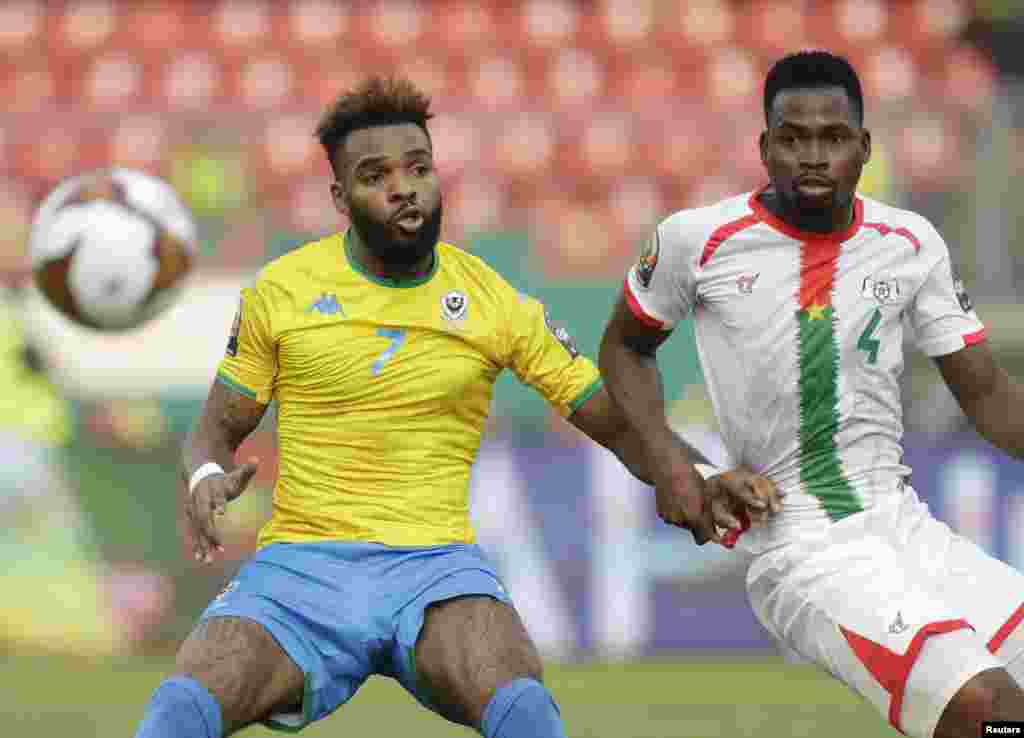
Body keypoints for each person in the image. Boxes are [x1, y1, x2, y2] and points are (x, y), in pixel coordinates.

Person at [133, 77, 778, 738]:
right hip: (301, 569)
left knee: (525, 710)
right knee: (179, 711)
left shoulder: (489, 300)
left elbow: (611, 418)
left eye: (418, 168)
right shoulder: (283, 290)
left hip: (435, 570)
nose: (403, 187)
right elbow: (216, 429)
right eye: (375, 175)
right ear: (339, 198)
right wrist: (206, 477)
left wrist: (693, 476)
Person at [600, 50, 1024, 738]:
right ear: (765, 147)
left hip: (905, 527)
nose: (813, 156)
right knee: (982, 709)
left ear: (863, 146)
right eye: (793, 139)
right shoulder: (698, 241)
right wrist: (675, 464)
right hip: (802, 548)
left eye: (832, 138)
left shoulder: (910, 243)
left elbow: (988, 394)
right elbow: (623, 347)